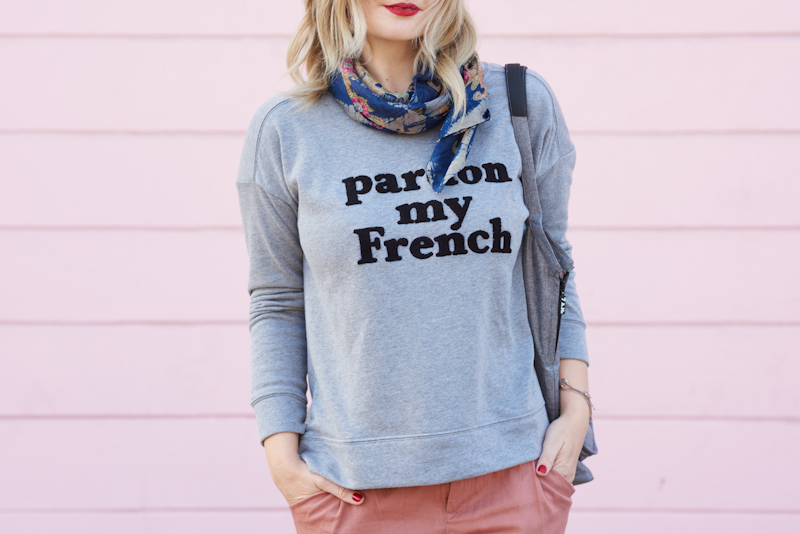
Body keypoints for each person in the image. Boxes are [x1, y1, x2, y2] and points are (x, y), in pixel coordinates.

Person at [235, 0, 593, 532]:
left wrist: (576, 408)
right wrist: (281, 450)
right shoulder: (286, 129)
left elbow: (553, 268)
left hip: (515, 474)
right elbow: (277, 298)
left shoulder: (520, 103)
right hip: (356, 491)